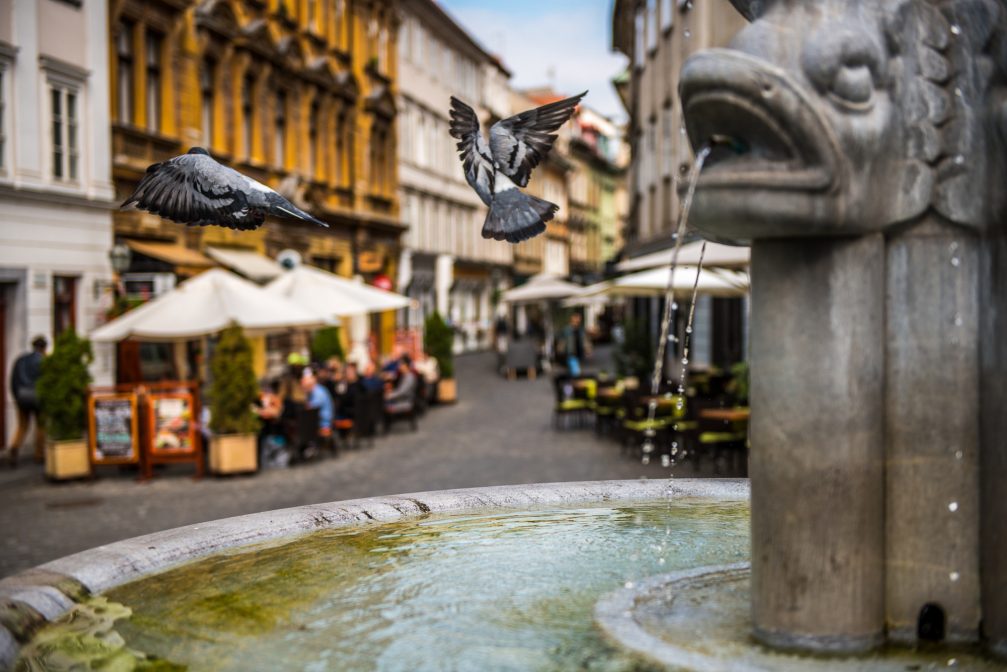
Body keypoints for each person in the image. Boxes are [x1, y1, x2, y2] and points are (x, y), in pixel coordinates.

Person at [6, 335, 47, 467]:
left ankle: (15, 446)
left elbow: (13, 380)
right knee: (41, 426)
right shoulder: (44, 361)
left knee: (22, 426)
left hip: (22, 397)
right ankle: (39, 454)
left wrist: (16, 397)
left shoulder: (21, 360)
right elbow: (47, 381)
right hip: (39, 398)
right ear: (44, 348)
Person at [301, 368, 334, 438]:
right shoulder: (314, 391)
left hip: (324, 424)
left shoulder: (318, 392)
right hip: (319, 421)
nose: (303, 383)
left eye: (305, 380)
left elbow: (310, 410)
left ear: (313, 379)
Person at [561, 313, 586, 377]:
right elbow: (562, 340)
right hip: (571, 352)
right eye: (577, 319)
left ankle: (570, 384)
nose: (579, 320)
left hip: (579, 352)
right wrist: (561, 350)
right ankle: (572, 384)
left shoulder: (580, 329)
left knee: (573, 371)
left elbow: (583, 340)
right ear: (572, 319)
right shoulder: (567, 329)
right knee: (576, 372)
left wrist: (586, 348)